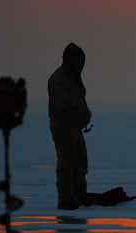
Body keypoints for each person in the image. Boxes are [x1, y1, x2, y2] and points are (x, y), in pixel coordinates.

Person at [48, 42, 92, 210]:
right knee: (66, 163)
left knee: (81, 163)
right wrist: (75, 103)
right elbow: (58, 98)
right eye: (75, 60)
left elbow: (80, 98)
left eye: (80, 61)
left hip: (75, 126)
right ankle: (65, 199)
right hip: (63, 126)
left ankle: (79, 195)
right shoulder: (59, 77)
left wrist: (84, 114)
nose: (78, 64)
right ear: (68, 60)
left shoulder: (75, 77)